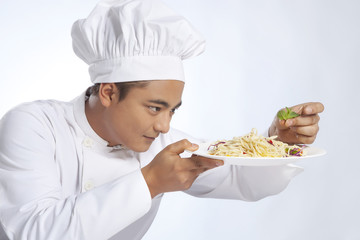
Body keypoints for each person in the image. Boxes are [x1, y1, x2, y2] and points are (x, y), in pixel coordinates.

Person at [0, 0, 324, 239]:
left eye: (173, 110)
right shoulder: (34, 126)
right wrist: (149, 182)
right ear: (109, 93)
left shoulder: (162, 144)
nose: (165, 126)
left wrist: (276, 144)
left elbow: (238, 178)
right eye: (155, 108)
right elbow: (31, 232)